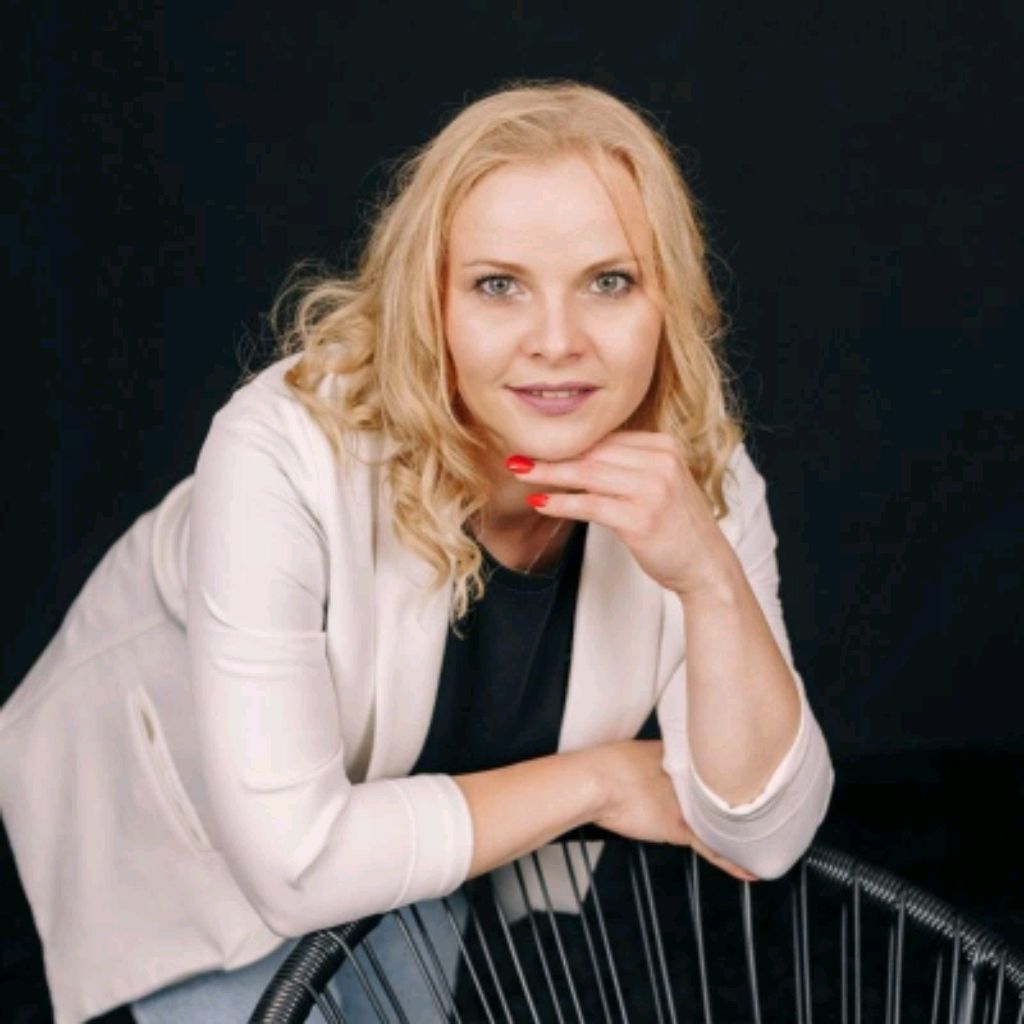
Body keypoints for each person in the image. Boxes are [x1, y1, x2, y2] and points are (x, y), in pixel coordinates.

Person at [0, 79, 834, 1023]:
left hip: (395, 816)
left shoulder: (693, 463)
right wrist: (603, 779)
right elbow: (297, 864)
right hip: (177, 819)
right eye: (497, 285)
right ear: (427, 302)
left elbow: (765, 833)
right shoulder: (281, 448)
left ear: (668, 300)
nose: (557, 342)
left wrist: (709, 579)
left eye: (610, 281)